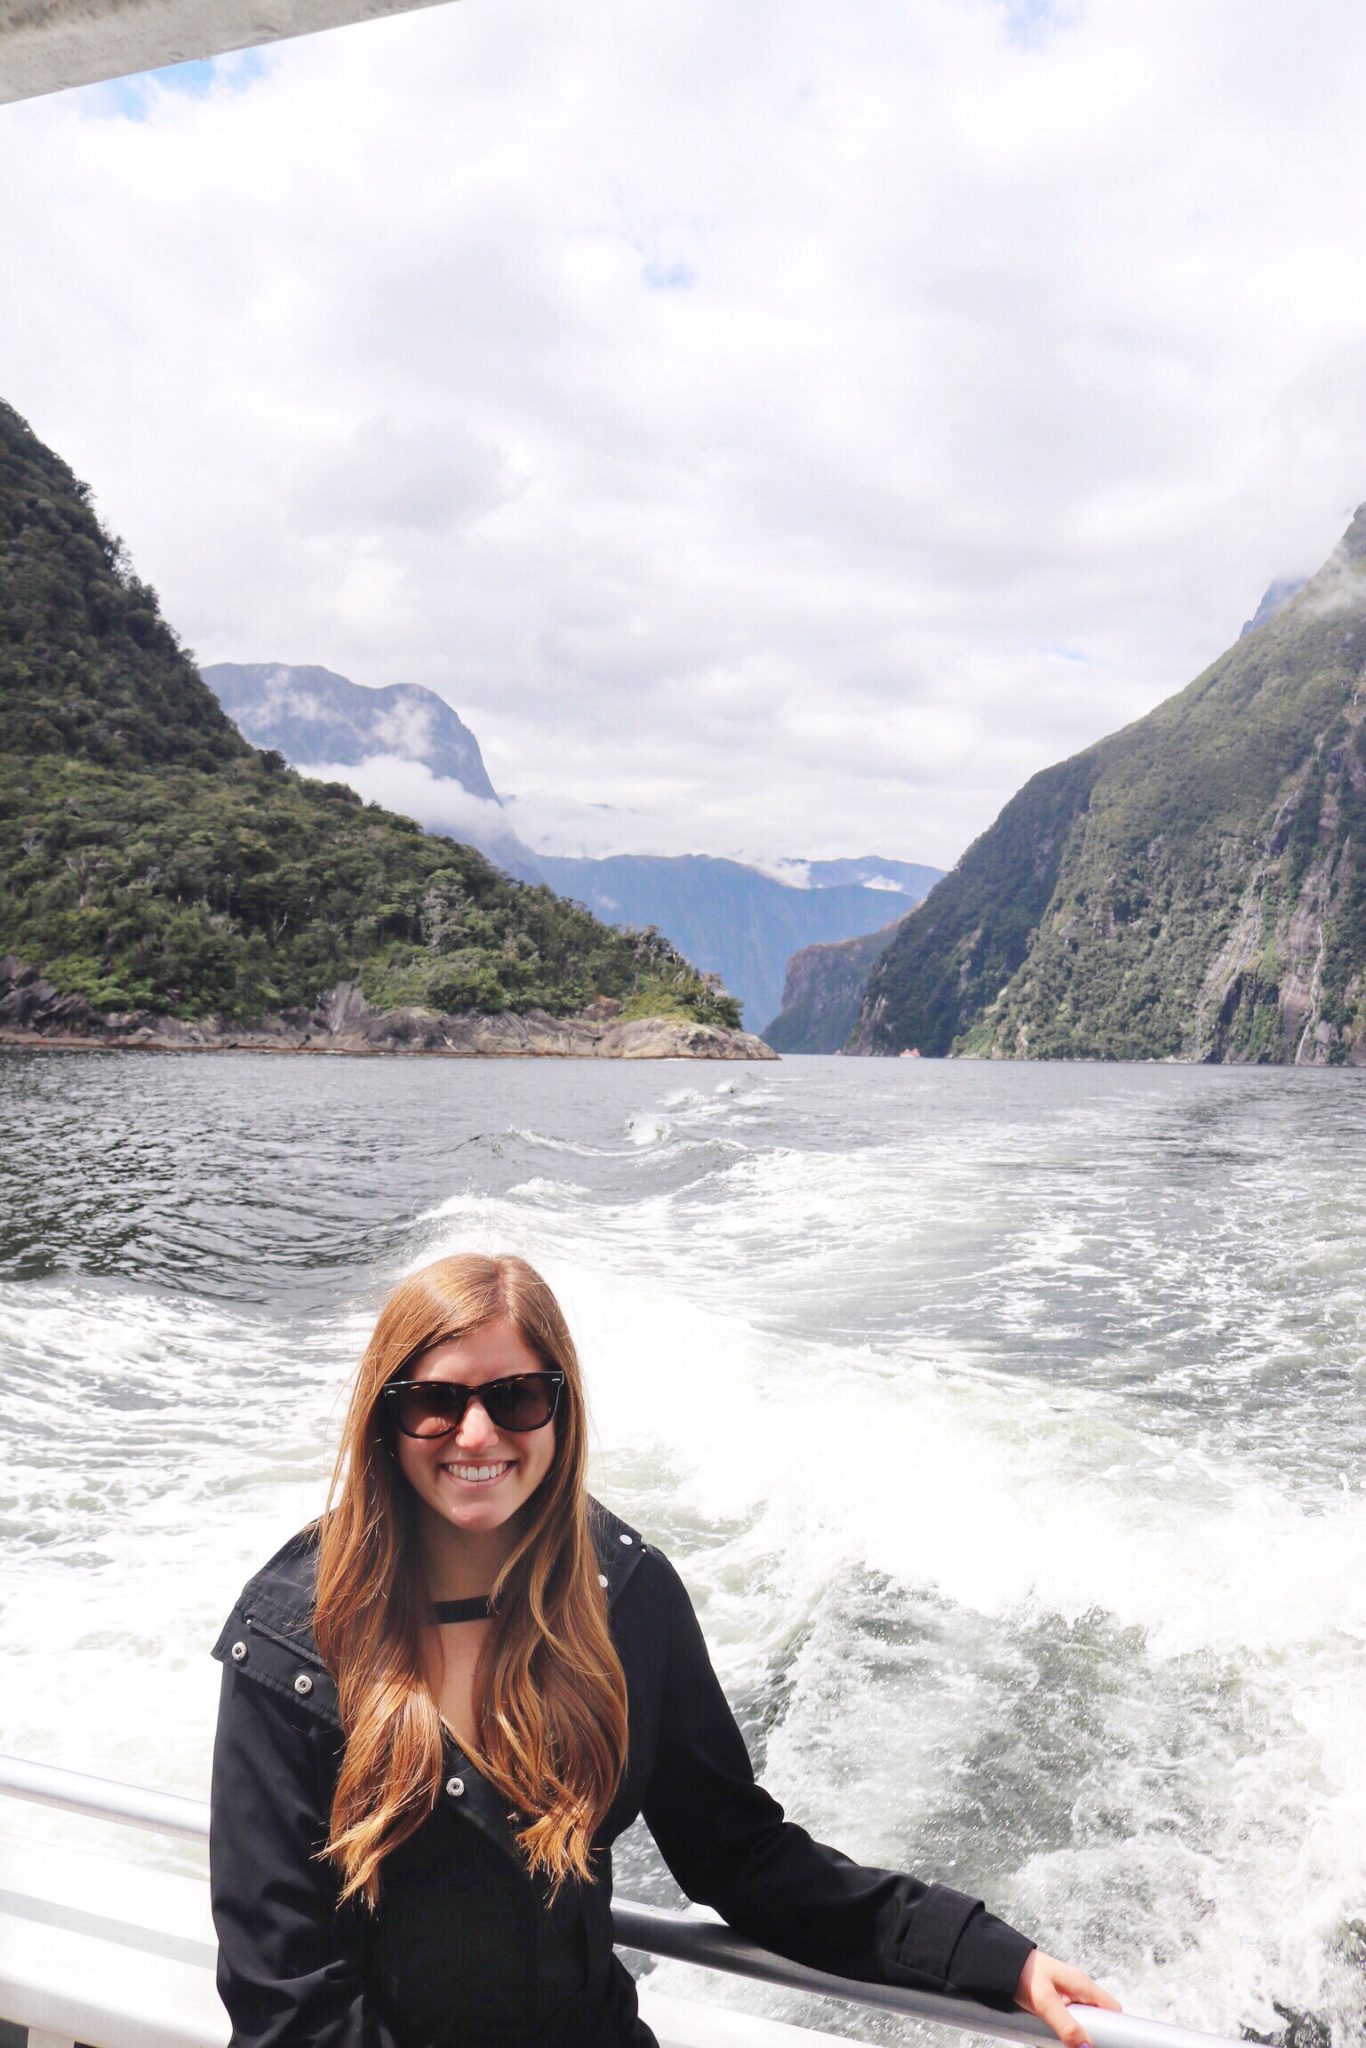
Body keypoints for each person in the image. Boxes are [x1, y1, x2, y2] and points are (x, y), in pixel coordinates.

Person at [210, 1252, 1119, 2048]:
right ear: (385, 1419)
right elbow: (286, 1996)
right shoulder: (296, 1636)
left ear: (562, 1410)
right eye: (436, 1404)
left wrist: (985, 1954)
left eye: (517, 1397)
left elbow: (742, 1854)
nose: (478, 1435)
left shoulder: (623, 1598)